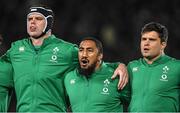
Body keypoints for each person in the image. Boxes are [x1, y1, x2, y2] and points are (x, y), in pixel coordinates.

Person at [0, 5, 128, 112]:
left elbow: (93, 61)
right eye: (29, 19)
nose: (32, 22)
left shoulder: (66, 50)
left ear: (49, 23)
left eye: (38, 18)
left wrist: (118, 65)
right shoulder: (16, 49)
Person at [64, 37, 131, 112]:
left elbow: (134, 104)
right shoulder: (69, 78)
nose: (84, 54)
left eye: (89, 51)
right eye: (81, 50)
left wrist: (121, 65)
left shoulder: (117, 76)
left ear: (100, 56)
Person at [128, 22, 180, 112]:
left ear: (163, 44)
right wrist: (119, 65)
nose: (146, 43)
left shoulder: (176, 67)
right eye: (144, 39)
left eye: (152, 40)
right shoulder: (132, 67)